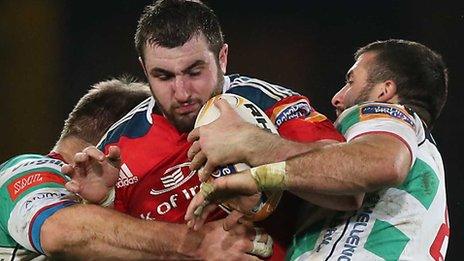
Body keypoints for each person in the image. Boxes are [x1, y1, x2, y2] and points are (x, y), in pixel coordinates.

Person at [63, 0, 351, 259]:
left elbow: (349, 190)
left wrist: (260, 146)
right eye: (163, 76)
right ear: (143, 69)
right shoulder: (118, 147)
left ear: (222, 58)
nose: (182, 92)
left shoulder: (271, 104)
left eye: (194, 71)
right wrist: (105, 203)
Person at [185, 39, 450, 260]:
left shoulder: (386, 114)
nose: (337, 97)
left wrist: (252, 145)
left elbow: (382, 163)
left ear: (384, 91)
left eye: (351, 81)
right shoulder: (426, 161)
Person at [0, 78, 263, 260]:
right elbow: (60, 232)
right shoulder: (27, 171)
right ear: (119, 143)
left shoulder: (109, 223)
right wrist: (199, 244)